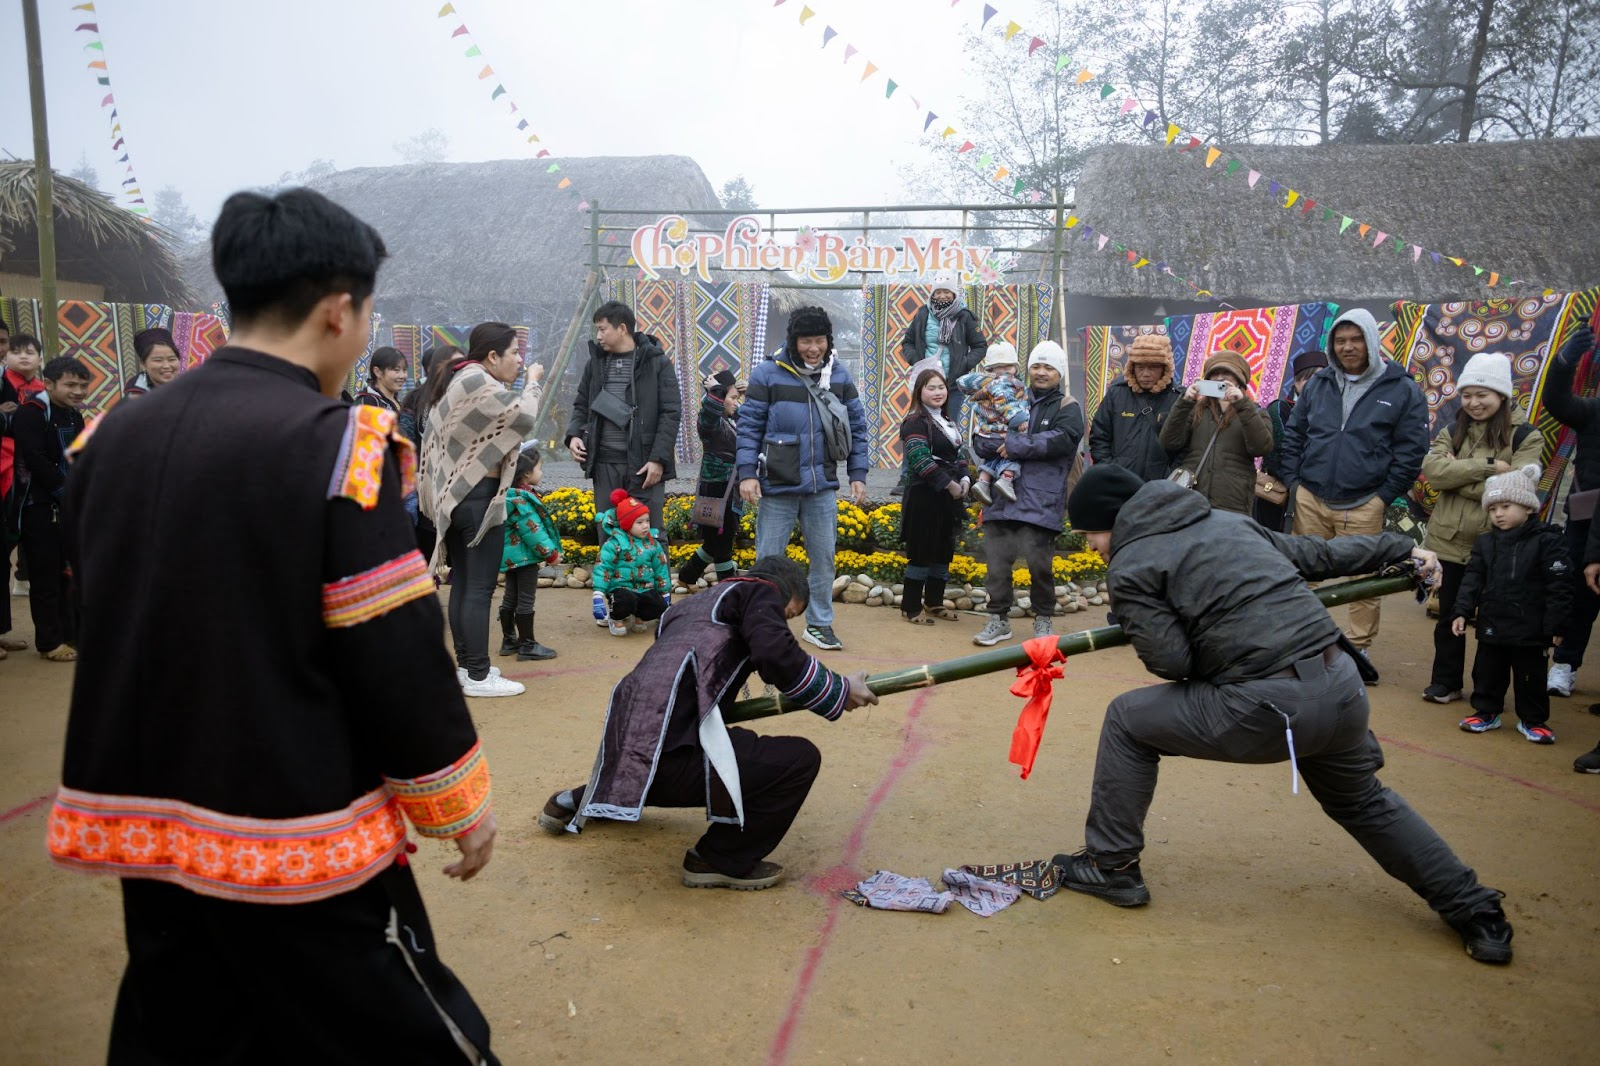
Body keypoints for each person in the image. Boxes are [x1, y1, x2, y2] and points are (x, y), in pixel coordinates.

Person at [48, 187, 502, 1061]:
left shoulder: (108, 439)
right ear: (338, 309)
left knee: (185, 1025)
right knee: (392, 1032)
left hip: (152, 819)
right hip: (295, 823)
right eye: (366, 316)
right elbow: (392, 648)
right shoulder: (342, 446)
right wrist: (453, 800)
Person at [1050, 463, 1515, 965]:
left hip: (1266, 707)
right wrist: (1400, 547)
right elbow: (1320, 555)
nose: (1091, 546)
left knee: (1127, 719)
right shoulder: (1229, 521)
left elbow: (1172, 662)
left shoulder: (1131, 564)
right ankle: (1476, 909)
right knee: (1364, 803)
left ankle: (1113, 865)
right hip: (1341, 687)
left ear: (1115, 520)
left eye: (1091, 533)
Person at [539, 555, 878, 889]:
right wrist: (839, 689)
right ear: (782, 591)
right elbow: (774, 653)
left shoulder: (689, 605)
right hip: (671, 753)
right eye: (786, 614)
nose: (782, 621)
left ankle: (576, 799)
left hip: (626, 748)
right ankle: (718, 858)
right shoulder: (759, 591)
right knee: (799, 760)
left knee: (667, 753)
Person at [1278, 308, 1429, 678]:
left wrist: (1383, 497)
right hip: (1311, 498)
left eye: (1356, 339)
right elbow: (1295, 434)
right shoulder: (1319, 384)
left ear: (1371, 341)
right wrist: (1295, 484)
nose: (1347, 347)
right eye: (1340, 340)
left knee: (1363, 581)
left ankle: (1358, 649)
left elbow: (1411, 451)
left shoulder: (1402, 389)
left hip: (1364, 502)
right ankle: (1302, 644)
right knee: (1302, 574)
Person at [418, 322, 543, 698]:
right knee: (478, 588)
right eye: (514, 353)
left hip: (458, 499)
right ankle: (478, 674)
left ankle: (466, 665)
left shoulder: (460, 379)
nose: (520, 361)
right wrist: (533, 382)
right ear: (492, 356)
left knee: (464, 586)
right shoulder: (478, 382)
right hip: (478, 500)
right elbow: (524, 416)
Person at [736, 306, 869, 652]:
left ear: (829, 340)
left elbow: (856, 427)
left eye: (820, 340)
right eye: (806, 340)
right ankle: (761, 623)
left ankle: (820, 624)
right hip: (777, 485)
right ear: (793, 341)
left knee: (823, 558)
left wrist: (857, 473)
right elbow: (748, 428)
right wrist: (747, 474)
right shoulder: (767, 374)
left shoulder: (839, 376)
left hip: (821, 486)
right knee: (768, 560)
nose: (813, 348)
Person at [1419, 352, 1544, 705]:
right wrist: (1491, 466)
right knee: (1448, 617)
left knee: (1495, 622)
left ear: (1501, 395)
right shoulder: (1452, 430)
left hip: (1498, 544)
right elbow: (1434, 474)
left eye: (1482, 395)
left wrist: (1458, 476)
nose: (1473, 403)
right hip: (1447, 540)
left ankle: (1487, 692)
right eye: (1467, 395)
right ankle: (1445, 682)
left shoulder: (1526, 435)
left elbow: (1517, 489)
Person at [971, 340, 1084, 646]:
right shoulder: (1008, 394)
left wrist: (1016, 444)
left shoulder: (1067, 406)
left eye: (1049, 367)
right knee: (997, 564)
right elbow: (980, 440)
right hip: (1000, 496)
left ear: (1059, 373)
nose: (1041, 372)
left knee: (1040, 566)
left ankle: (1043, 619)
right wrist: (1000, 443)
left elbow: (1063, 441)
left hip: (1040, 499)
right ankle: (998, 620)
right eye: (1036, 366)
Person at [1448, 464, 1570, 742]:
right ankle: (1486, 712)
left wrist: (1558, 624)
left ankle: (1533, 720)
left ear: (1528, 507)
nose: (1498, 514)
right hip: (1492, 622)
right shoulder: (1485, 543)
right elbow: (1473, 578)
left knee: (1531, 676)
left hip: (1532, 626)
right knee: (1487, 671)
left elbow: (1560, 586)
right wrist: (1461, 611)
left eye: (1505, 506)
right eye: (1492, 509)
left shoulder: (1548, 541)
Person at [565, 300, 681, 534]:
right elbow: (581, 404)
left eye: (602, 329)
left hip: (644, 465)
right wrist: (574, 435)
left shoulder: (656, 362)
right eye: (597, 330)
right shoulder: (595, 364)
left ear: (622, 328)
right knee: (609, 532)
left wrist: (658, 459)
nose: (598, 336)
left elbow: (671, 413)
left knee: (650, 534)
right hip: (604, 462)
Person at [11, 356, 90, 661]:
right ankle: (49, 642)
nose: (78, 391)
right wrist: (64, 491)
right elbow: (34, 458)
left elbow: (78, 455)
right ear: (49, 384)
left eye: (82, 385)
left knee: (68, 573)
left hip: (67, 505)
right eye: (70, 385)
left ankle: (71, 635)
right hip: (38, 506)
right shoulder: (30, 413)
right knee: (45, 577)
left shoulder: (74, 415)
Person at [1538, 323, 1600, 700]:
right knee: (1579, 594)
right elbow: (1557, 402)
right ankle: (1565, 663)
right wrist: (1564, 361)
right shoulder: (1593, 410)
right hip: (1585, 518)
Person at [1158, 350, 1274, 515]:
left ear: (1239, 380)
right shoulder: (1196, 410)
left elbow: (1261, 447)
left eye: (1227, 373)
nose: (1220, 378)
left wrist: (1242, 404)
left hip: (1232, 503)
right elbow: (1169, 442)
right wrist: (1185, 402)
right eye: (1215, 374)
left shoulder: (1255, 412)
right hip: (1191, 500)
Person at [898, 364, 970, 625]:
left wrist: (965, 478)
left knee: (943, 549)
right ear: (920, 391)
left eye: (941, 387)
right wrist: (948, 484)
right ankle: (910, 607)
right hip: (924, 496)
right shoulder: (915, 422)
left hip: (947, 497)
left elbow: (959, 455)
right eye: (931, 388)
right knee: (922, 549)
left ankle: (934, 602)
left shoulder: (948, 421)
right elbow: (919, 459)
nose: (938, 392)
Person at [679, 371, 745, 587]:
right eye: (732, 398)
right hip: (717, 489)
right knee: (722, 544)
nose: (736, 403)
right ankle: (728, 590)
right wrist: (716, 389)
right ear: (719, 397)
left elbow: (753, 420)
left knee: (714, 543)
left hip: (729, 489)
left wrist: (751, 394)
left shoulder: (730, 420)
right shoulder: (709, 422)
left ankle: (686, 577)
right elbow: (710, 408)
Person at [1, 327, 44, 659]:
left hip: (28, 482)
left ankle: (2, 632)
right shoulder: (4, 384)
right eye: (17, 350)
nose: (23, 356)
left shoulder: (44, 390)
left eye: (31, 351)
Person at [1088, 332, 1182, 482]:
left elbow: (1186, 447)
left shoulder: (1178, 399)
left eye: (1153, 367)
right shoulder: (1117, 394)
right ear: (1132, 367)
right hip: (1119, 483)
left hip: (1160, 487)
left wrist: (1170, 479)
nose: (1146, 374)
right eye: (1140, 367)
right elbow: (1099, 437)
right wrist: (1110, 470)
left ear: (1165, 369)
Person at [897, 272, 987, 423]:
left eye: (946, 292)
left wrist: (963, 364)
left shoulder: (964, 316)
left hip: (952, 384)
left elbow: (980, 346)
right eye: (938, 292)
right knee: (923, 423)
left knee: (948, 424)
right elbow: (908, 342)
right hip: (925, 383)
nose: (942, 296)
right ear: (933, 294)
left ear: (954, 294)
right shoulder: (923, 314)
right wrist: (916, 360)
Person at [399, 344, 460, 563]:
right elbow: (406, 437)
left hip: (456, 477)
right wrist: (414, 471)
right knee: (427, 531)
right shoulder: (416, 398)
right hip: (425, 479)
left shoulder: (462, 394)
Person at [499, 447, 561, 661]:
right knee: (526, 599)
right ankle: (527, 644)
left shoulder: (508, 495)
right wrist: (551, 554)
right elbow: (533, 531)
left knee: (510, 596)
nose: (541, 472)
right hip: (525, 557)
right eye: (539, 468)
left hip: (511, 557)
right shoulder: (521, 499)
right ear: (526, 473)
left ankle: (509, 640)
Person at [1256, 349, 1329, 530]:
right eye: (1308, 379)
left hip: (1318, 500)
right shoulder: (1280, 409)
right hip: (1278, 497)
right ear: (1296, 383)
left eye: (1321, 379)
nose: (1315, 384)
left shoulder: (1333, 415)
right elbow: (1281, 451)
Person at [955, 341, 1028, 505]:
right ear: (990, 371)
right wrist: (1020, 420)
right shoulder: (1004, 383)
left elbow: (962, 382)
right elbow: (1006, 403)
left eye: (1007, 367)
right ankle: (1006, 479)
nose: (1003, 371)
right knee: (1015, 451)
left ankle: (983, 481)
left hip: (983, 437)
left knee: (993, 457)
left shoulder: (985, 384)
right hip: (1000, 435)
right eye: (998, 368)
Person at [593, 488, 672, 637]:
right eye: (639, 522)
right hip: (620, 588)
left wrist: (665, 592)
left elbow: (660, 568)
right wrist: (598, 595)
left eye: (647, 521)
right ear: (627, 524)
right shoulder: (614, 544)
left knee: (658, 604)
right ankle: (615, 619)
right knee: (624, 600)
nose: (645, 526)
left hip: (644, 587)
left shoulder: (652, 544)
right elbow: (603, 567)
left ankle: (639, 617)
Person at [123, 328, 183, 398]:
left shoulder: (188, 389)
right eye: (158, 360)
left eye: (171, 359)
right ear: (143, 364)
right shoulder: (136, 399)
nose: (166, 366)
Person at [354, 345, 408, 412]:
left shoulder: (399, 403)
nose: (402, 376)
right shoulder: (368, 402)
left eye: (404, 370)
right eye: (396, 370)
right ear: (378, 372)